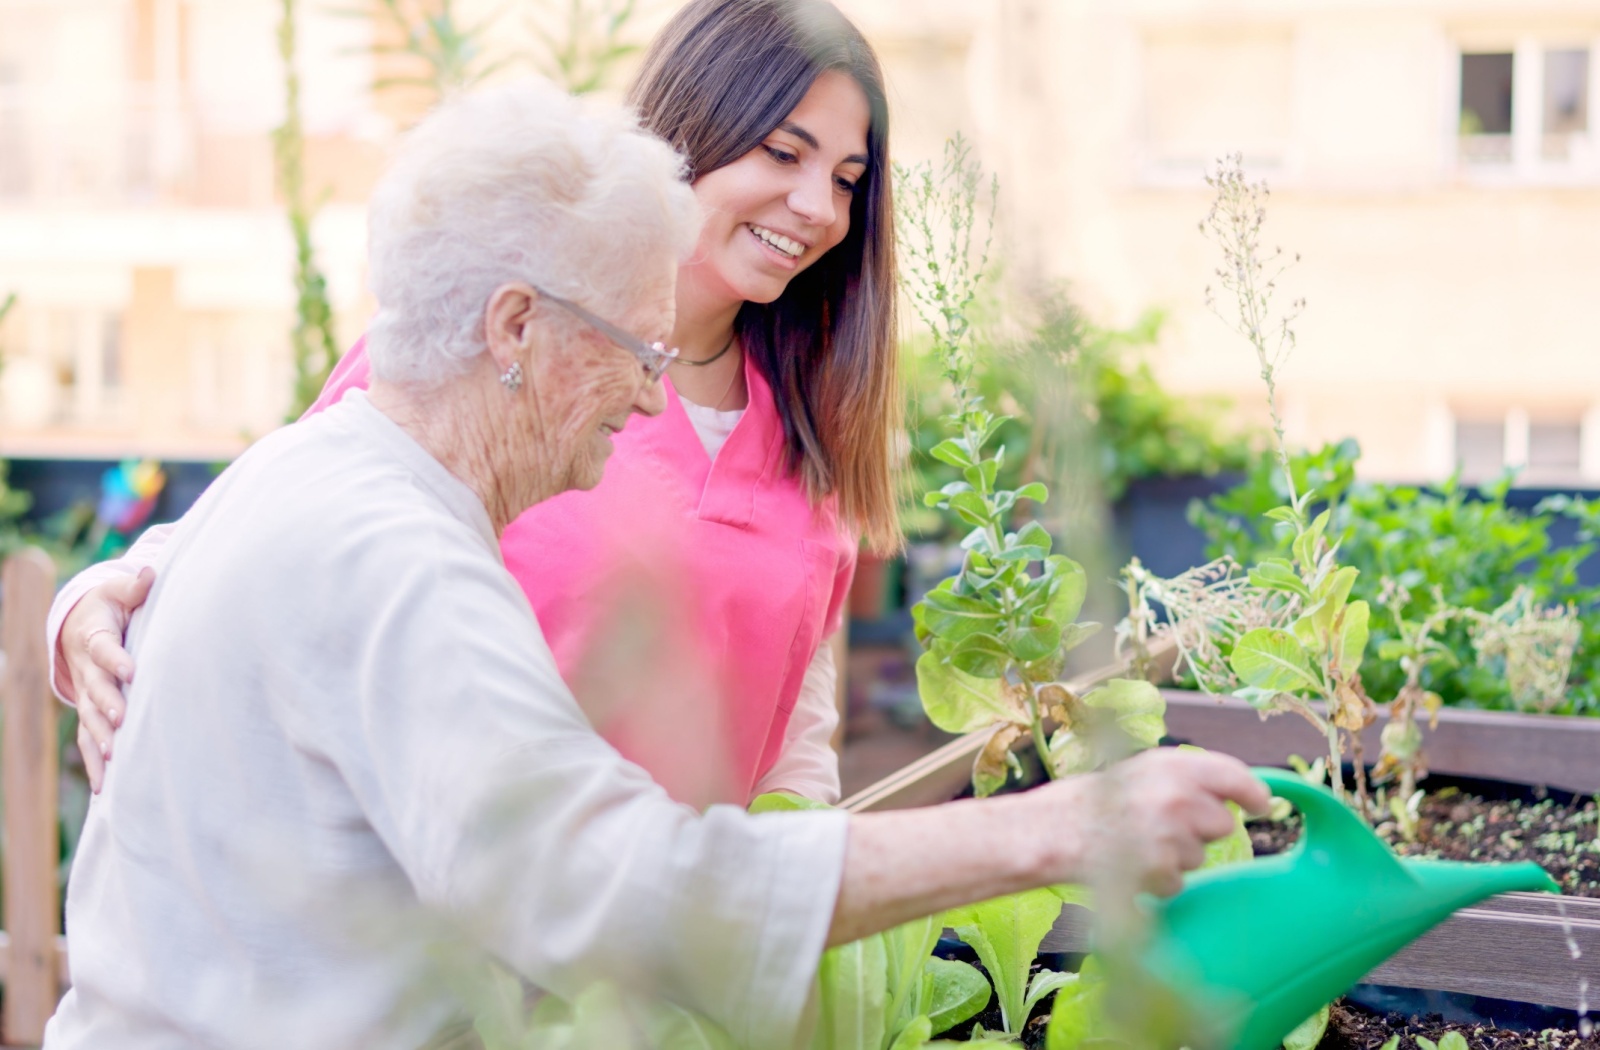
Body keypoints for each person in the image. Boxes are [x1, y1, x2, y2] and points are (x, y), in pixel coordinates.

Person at [42, 80, 1269, 1050]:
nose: (648, 395)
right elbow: (604, 884)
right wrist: (1054, 833)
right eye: (631, 347)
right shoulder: (399, 559)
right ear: (513, 327)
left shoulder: (318, 483)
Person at [52, 0, 901, 808]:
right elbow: (288, 526)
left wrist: (787, 850)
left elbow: (796, 705)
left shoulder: (811, 425)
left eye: (847, 179)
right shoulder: (502, 338)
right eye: (785, 155)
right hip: (452, 930)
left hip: (681, 939)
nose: (819, 208)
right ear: (694, 126)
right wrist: (98, 598)